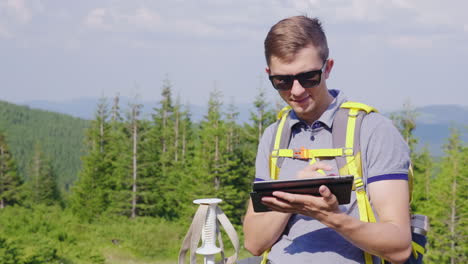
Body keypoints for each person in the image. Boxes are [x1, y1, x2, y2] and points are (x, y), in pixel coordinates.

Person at [243, 16, 413, 264]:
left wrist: (332, 217)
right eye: (283, 81)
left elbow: (399, 247)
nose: (297, 90)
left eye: (309, 77)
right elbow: (254, 243)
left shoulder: (373, 130)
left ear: (328, 68)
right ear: (269, 75)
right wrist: (294, 191)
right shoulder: (275, 136)